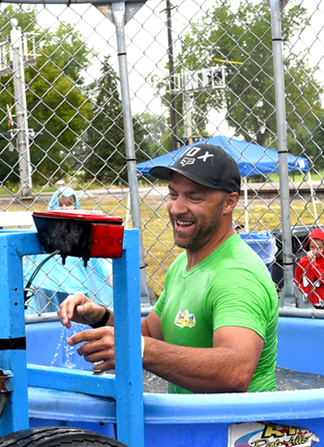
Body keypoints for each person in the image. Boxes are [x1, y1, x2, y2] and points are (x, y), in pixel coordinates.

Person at [58, 145, 278, 394]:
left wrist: (136, 349)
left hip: (235, 429)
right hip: (193, 425)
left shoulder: (237, 275)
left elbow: (234, 372)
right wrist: (99, 316)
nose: (176, 208)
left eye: (194, 197)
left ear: (229, 203)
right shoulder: (181, 266)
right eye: (173, 194)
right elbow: (153, 333)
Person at [24, 187, 112, 315]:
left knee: (76, 317)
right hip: (47, 285)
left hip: (77, 285)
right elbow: (28, 259)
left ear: (75, 205)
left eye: (68, 204)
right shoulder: (42, 227)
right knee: (48, 317)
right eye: (60, 204)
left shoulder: (84, 229)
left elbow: (100, 262)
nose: (64, 208)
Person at [295, 227, 324, 309]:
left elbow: (323, 279)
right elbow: (297, 280)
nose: (315, 251)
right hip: (305, 301)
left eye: (319, 248)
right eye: (312, 247)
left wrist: (313, 263)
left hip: (322, 302)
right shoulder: (303, 261)